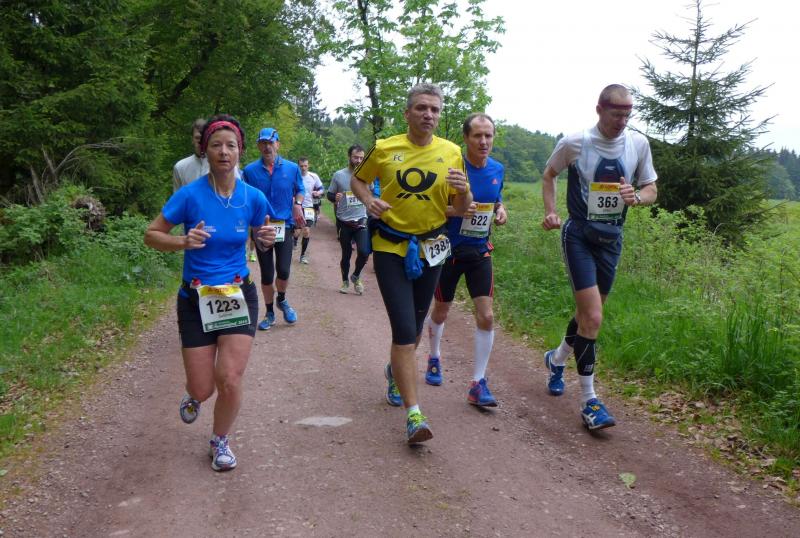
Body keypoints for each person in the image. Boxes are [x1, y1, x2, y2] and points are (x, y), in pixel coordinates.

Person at [144, 114, 276, 471]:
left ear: (240, 151)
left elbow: (265, 233)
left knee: (230, 378)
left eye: (231, 145)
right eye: (216, 145)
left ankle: (220, 441)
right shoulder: (190, 195)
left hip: (237, 294)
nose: (224, 152)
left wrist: (265, 239)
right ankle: (194, 393)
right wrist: (183, 241)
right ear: (206, 151)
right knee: (204, 388)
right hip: (195, 298)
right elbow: (151, 235)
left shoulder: (253, 197)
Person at [351, 83, 472, 444]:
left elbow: (460, 208)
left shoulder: (452, 152)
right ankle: (414, 414)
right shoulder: (385, 148)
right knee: (404, 330)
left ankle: (395, 371)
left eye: (434, 109)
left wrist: (465, 190)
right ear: (407, 113)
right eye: (421, 108)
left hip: (432, 246)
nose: (428, 115)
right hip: (390, 246)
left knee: (416, 326)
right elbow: (358, 180)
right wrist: (368, 201)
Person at [541, 84, 657, 430]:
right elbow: (549, 174)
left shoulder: (638, 144)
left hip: (611, 240)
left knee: (586, 315)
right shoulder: (575, 142)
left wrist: (637, 197)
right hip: (579, 235)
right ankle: (589, 402)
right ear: (599, 110)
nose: (622, 121)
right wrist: (551, 211)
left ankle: (556, 359)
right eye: (616, 114)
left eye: (627, 115)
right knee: (592, 316)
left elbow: (651, 187)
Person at [425, 113, 507, 407]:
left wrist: (501, 210)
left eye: (488, 136)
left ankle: (478, 382)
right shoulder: (452, 168)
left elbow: (496, 198)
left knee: (487, 315)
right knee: (441, 311)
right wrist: (457, 210)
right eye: (477, 136)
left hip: (479, 251)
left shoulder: (497, 169)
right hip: (447, 251)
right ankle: (434, 356)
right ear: (466, 138)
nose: (484, 141)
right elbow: (432, 207)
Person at [242, 127, 306, 330]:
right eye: (263, 143)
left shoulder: (292, 168)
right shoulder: (249, 171)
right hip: (261, 227)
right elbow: (244, 198)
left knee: (284, 271)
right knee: (267, 274)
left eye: (271, 143)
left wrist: (298, 203)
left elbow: (300, 189)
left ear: (277, 144)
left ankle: (282, 299)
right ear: (258, 146)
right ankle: (269, 312)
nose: (267, 147)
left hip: (284, 225)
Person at [327, 144, 370, 294]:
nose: (358, 160)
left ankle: (356, 276)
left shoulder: (368, 175)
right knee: (346, 254)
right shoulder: (339, 175)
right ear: (349, 157)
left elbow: (373, 193)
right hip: (344, 221)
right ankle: (345, 281)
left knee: (364, 252)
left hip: (361, 219)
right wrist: (335, 197)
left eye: (361, 158)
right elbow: (329, 194)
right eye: (355, 157)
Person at [295, 157, 324, 264]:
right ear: (298, 166)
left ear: (308, 165)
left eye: (305, 166)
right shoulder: (294, 176)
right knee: (297, 232)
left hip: (309, 207)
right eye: (301, 166)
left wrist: (318, 193)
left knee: (306, 230)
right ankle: (294, 240)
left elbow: (321, 188)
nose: (303, 168)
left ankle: (303, 256)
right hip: (297, 207)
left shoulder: (313, 176)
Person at [172, 118, 208, 192]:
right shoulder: (180, 167)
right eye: (197, 138)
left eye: (203, 138)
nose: (200, 142)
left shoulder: (220, 166)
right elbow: (177, 197)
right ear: (192, 139)